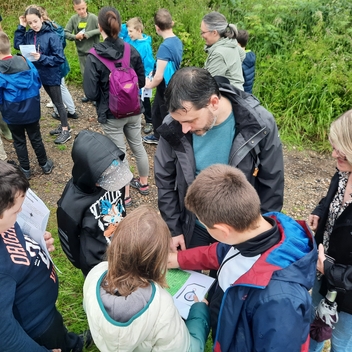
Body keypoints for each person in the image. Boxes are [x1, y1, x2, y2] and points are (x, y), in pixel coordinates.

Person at [168, 164, 317, 351]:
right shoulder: (253, 230)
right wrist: (178, 259)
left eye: (206, 226)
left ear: (223, 231)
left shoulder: (280, 301)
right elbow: (220, 252)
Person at [155, 67, 284, 251]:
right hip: (192, 224)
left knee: (227, 278)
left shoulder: (259, 124)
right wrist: (174, 229)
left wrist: (259, 236)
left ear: (213, 102)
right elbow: (164, 181)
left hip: (237, 229)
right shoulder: (173, 125)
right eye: (180, 121)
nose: (184, 129)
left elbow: (272, 183)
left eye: (191, 120)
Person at [83, 205, 210, 351]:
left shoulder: (96, 272)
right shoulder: (161, 305)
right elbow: (188, 348)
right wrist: (199, 312)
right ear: (159, 262)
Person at [0, 160, 83, 351]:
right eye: (15, 211)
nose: (20, 212)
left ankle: (72, 343)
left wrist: (33, 242)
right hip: (37, 328)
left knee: (61, 335)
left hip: (47, 312)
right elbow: (5, 336)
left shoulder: (5, 223)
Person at [83, 6, 149, 207]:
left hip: (111, 114)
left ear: (100, 28)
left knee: (119, 153)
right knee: (137, 145)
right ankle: (144, 184)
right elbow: (142, 81)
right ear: (119, 26)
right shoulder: (131, 50)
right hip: (134, 110)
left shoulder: (93, 56)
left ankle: (125, 194)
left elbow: (91, 93)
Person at [57, 130, 131, 276]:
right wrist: (83, 264)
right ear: (87, 172)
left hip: (120, 246)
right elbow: (69, 241)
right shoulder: (70, 205)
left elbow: (120, 204)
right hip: (96, 262)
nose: (112, 179)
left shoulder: (114, 178)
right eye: (106, 176)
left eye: (114, 172)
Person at [308, 111, 352, 352]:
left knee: (342, 344)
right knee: (314, 328)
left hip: (349, 298)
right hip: (323, 277)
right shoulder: (343, 171)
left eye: (341, 149)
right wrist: (320, 212)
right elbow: (329, 199)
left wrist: (329, 268)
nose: (334, 154)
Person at [0, 31, 53, 180]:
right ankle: (45, 164)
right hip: (31, 109)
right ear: (8, 46)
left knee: (19, 141)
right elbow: (37, 82)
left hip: (12, 113)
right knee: (36, 137)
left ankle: (25, 169)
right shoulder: (25, 61)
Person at [14, 6, 71, 144]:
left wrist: (41, 58)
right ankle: (64, 126)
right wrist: (21, 27)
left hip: (51, 74)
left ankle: (66, 130)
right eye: (30, 23)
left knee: (58, 102)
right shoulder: (28, 34)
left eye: (35, 21)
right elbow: (17, 45)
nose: (33, 25)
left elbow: (59, 58)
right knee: (54, 100)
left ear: (41, 18)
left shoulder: (52, 35)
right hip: (38, 73)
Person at [142, 8, 183, 145]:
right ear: (171, 23)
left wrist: (148, 85)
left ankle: (166, 141)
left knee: (164, 113)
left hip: (165, 86)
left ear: (157, 27)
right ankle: (158, 135)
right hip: (173, 83)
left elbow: (159, 76)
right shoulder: (177, 41)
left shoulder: (164, 47)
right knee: (156, 111)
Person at [65, 0, 100, 103]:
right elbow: (65, 33)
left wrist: (87, 34)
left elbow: (101, 29)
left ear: (86, 6)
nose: (81, 11)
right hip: (82, 52)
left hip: (94, 52)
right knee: (85, 74)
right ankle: (88, 94)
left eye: (83, 8)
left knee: (95, 74)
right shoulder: (73, 19)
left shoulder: (93, 18)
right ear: (74, 8)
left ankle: (96, 96)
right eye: (79, 9)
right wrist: (75, 36)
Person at [201, 11, 245, 90]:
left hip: (230, 97)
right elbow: (242, 54)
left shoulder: (219, 54)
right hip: (238, 93)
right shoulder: (229, 42)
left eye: (203, 32)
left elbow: (208, 84)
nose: (202, 35)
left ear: (214, 32)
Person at [126, 17, 155, 134]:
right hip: (129, 75)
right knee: (130, 97)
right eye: (128, 31)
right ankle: (131, 118)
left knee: (144, 99)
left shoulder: (145, 46)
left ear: (138, 30)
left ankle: (149, 120)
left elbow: (149, 63)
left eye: (131, 31)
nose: (128, 34)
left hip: (141, 76)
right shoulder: (129, 41)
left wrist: (147, 77)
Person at [237, 29, 256, 94]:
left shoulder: (240, 60)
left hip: (240, 94)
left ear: (238, 44)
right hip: (248, 92)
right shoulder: (250, 55)